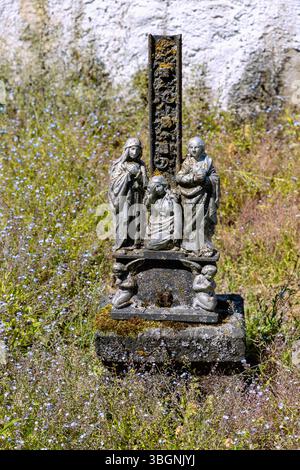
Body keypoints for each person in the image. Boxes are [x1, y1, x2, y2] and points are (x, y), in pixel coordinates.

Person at [176, 137, 220, 256]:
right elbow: (179, 177)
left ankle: (202, 244)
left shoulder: (208, 161)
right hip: (189, 196)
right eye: (191, 147)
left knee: (203, 220)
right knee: (190, 221)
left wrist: (206, 180)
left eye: (197, 147)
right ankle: (189, 245)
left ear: (202, 148)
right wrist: (193, 178)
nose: (194, 150)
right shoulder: (187, 162)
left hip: (204, 196)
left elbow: (215, 177)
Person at [109, 137, 148, 250]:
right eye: (132, 149)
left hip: (137, 196)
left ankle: (135, 243)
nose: (134, 152)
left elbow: (146, 183)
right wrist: (128, 175)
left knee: (136, 218)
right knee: (124, 218)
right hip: (124, 196)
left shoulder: (142, 165)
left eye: (137, 149)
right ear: (127, 150)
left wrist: (140, 175)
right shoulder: (120, 164)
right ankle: (122, 244)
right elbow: (114, 183)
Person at [144, 175, 181, 250]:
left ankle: (170, 244)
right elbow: (147, 208)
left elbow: (178, 217)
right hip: (154, 231)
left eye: (158, 186)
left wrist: (177, 235)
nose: (157, 189)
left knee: (151, 245)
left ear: (165, 186)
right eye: (155, 187)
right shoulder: (155, 200)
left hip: (167, 232)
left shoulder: (172, 199)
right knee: (147, 244)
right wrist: (151, 194)